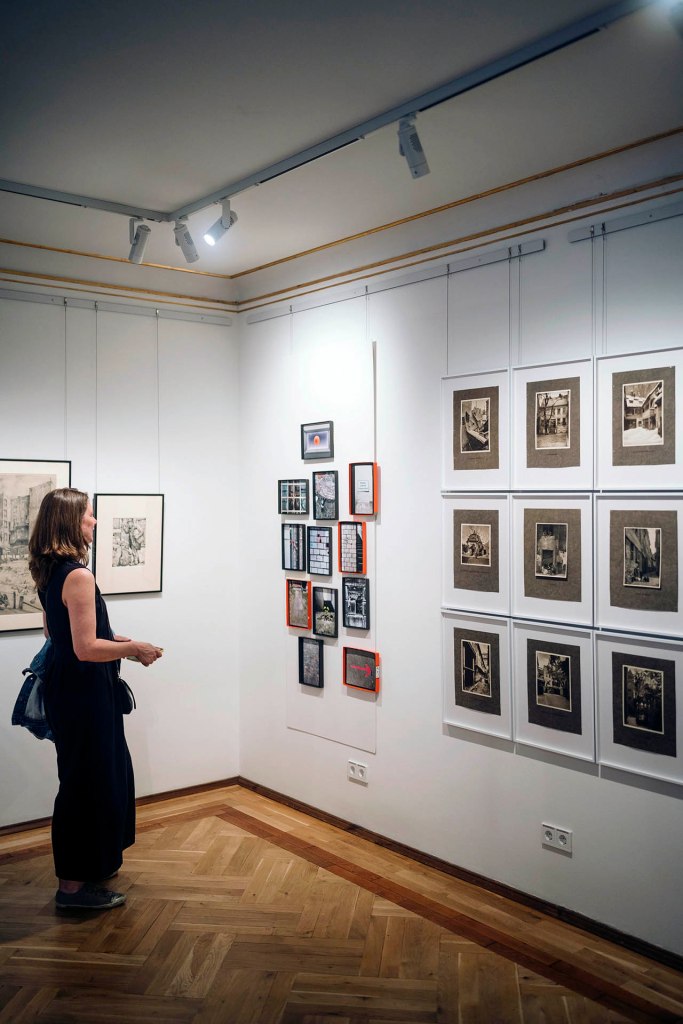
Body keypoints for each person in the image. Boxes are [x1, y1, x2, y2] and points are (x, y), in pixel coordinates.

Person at [28, 488, 163, 910]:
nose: (95, 521)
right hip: (84, 694)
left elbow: (58, 636)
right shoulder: (78, 575)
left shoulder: (50, 571)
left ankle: (89, 868)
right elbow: (85, 649)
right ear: (71, 522)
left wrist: (111, 639)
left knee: (87, 778)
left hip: (70, 691)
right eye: (89, 515)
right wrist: (133, 647)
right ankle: (72, 888)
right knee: (87, 784)